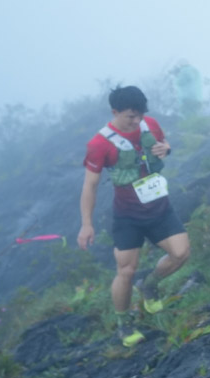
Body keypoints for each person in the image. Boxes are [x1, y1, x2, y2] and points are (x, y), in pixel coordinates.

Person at [77, 85, 190, 345]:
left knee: (181, 253)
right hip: (128, 215)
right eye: (130, 116)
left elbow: (163, 145)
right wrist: (86, 224)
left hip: (160, 207)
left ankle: (149, 285)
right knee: (126, 270)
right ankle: (123, 324)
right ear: (114, 111)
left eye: (140, 115)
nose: (136, 121)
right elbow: (90, 185)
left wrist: (166, 149)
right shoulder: (99, 144)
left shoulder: (149, 125)